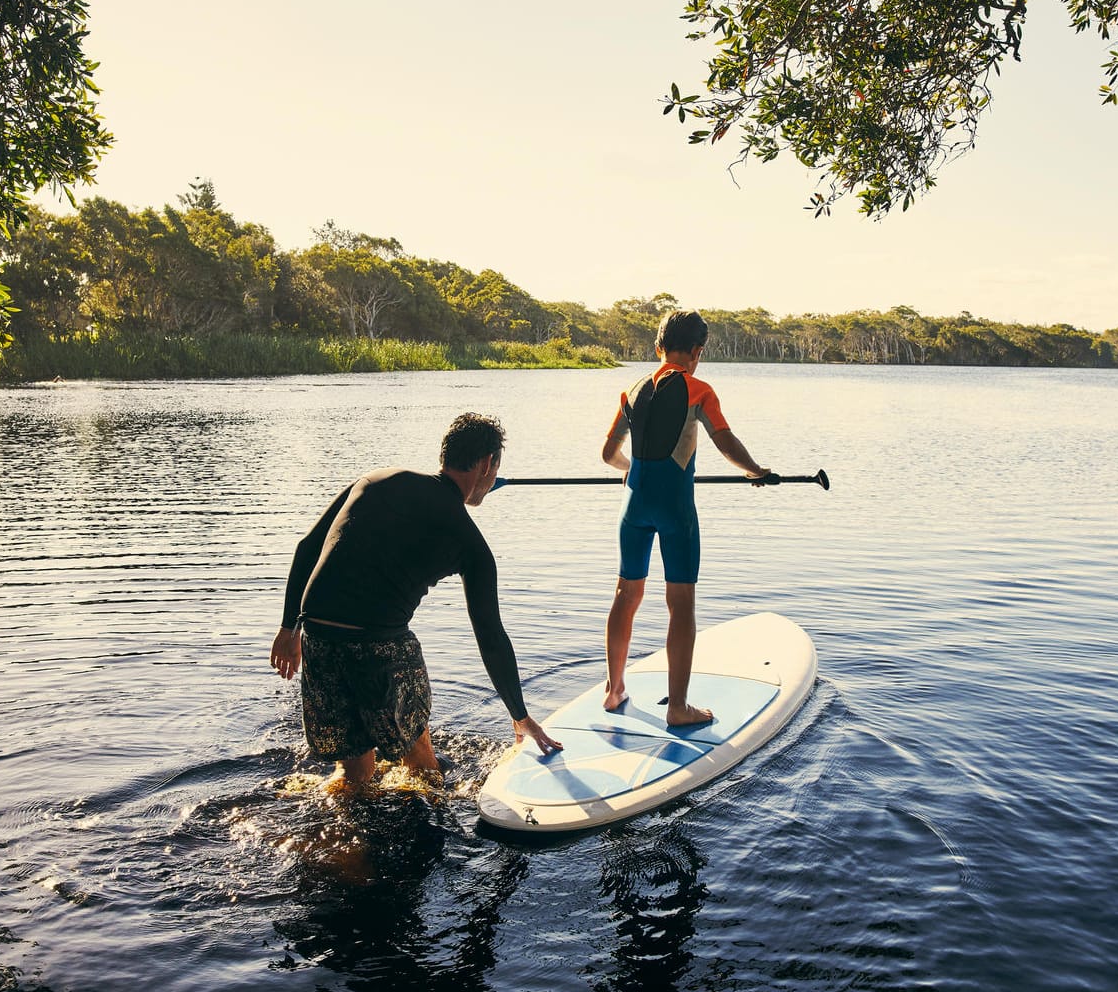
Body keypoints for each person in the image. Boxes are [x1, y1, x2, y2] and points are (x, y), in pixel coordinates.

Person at [271, 412, 562, 787]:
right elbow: (490, 635)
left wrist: (288, 628)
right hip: (378, 645)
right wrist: (520, 716)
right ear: (488, 464)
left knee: (354, 773)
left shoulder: (376, 479)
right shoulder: (470, 543)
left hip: (318, 636)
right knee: (421, 763)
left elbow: (307, 548)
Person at [600, 310, 772, 726]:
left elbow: (608, 455)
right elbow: (725, 441)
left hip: (634, 506)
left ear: (658, 348)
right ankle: (677, 707)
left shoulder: (631, 390)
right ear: (697, 351)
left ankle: (614, 690)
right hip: (675, 509)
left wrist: (629, 469)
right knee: (680, 603)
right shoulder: (699, 390)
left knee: (626, 595)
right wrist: (755, 471)